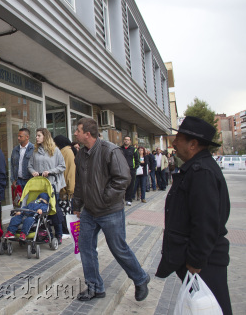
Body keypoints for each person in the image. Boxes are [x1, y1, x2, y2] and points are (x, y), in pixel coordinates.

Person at [155, 116, 232, 315]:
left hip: (206, 261)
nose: (173, 142)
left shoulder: (201, 172)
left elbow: (206, 222)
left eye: (178, 138)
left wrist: (196, 261)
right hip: (201, 258)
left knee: (211, 307)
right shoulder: (197, 168)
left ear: (193, 144)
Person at [72, 118, 150, 302]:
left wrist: (104, 198)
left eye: (78, 130)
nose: (75, 133)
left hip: (110, 210)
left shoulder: (110, 150)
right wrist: (77, 205)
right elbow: (80, 183)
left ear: (87, 134)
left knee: (118, 248)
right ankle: (95, 287)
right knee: (85, 247)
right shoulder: (81, 155)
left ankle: (140, 278)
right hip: (89, 212)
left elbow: (123, 179)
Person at [28, 128, 66, 243]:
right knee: (41, 210)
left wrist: (50, 171)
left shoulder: (55, 151)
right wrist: (33, 171)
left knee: (54, 210)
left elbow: (62, 166)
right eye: (36, 135)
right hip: (40, 186)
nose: (37, 137)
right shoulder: (35, 151)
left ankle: (59, 234)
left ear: (45, 136)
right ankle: (47, 233)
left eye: (39, 135)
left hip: (52, 184)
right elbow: (29, 165)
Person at [54, 135, 76, 218]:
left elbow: (69, 172)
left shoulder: (66, 152)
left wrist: (70, 190)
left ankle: (66, 230)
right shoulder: (65, 152)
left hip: (65, 190)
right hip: (63, 188)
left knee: (65, 214)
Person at [120, 136, 139, 206]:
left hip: (131, 170)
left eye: (127, 140)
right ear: (123, 140)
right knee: (121, 184)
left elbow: (137, 160)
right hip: (121, 170)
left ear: (130, 141)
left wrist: (134, 168)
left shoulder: (134, 149)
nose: (126, 141)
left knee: (130, 185)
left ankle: (128, 199)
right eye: (125, 139)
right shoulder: (120, 149)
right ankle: (121, 199)